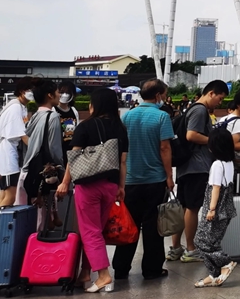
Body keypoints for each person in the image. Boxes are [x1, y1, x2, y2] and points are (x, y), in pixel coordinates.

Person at [56, 87, 128, 294]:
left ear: (95, 105)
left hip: (88, 185)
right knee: (96, 230)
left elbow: (73, 158)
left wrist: (65, 182)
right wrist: (121, 187)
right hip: (111, 185)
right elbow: (123, 161)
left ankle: (103, 275)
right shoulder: (120, 128)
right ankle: (85, 273)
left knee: (90, 231)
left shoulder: (86, 126)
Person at [112, 79, 174, 282]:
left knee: (128, 224)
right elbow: (164, 147)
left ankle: (121, 268)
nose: (164, 98)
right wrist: (169, 176)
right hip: (154, 179)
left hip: (130, 180)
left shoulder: (127, 116)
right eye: (164, 95)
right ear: (157, 96)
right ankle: (152, 269)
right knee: (152, 226)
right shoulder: (162, 116)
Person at [171, 80, 228, 263]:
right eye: (220, 98)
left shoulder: (194, 109)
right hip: (196, 166)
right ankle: (190, 249)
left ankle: (175, 248)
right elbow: (191, 135)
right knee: (192, 207)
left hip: (187, 166)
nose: (219, 103)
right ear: (211, 93)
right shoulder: (200, 110)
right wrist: (213, 141)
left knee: (184, 207)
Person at [192, 128, 238, 287]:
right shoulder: (229, 163)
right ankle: (214, 274)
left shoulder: (217, 165)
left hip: (216, 210)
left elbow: (216, 188)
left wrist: (211, 209)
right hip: (226, 209)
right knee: (213, 243)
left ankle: (226, 263)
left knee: (200, 241)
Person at [22, 79, 63, 206]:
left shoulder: (34, 116)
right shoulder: (53, 117)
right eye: (58, 92)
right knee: (45, 215)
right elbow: (54, 148)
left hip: (29, 171)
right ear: (50, 95)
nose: (60, 95)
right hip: (44, 174)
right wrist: (62, 169)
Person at [0, 77, 31, 207]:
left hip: (9, 152)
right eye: (31, 90)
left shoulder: (21, 107)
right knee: (10, 196)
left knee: (3, 195)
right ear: (23, 91)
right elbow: (22, 135)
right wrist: (36, 149)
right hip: (8, 154)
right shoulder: (15, 108)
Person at [55, 83, 80, 164]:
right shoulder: (53, 110)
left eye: (68, 92)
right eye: (62, 92)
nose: (64, 95)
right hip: (58, 151)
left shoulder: (74, 111)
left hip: (71, 151)